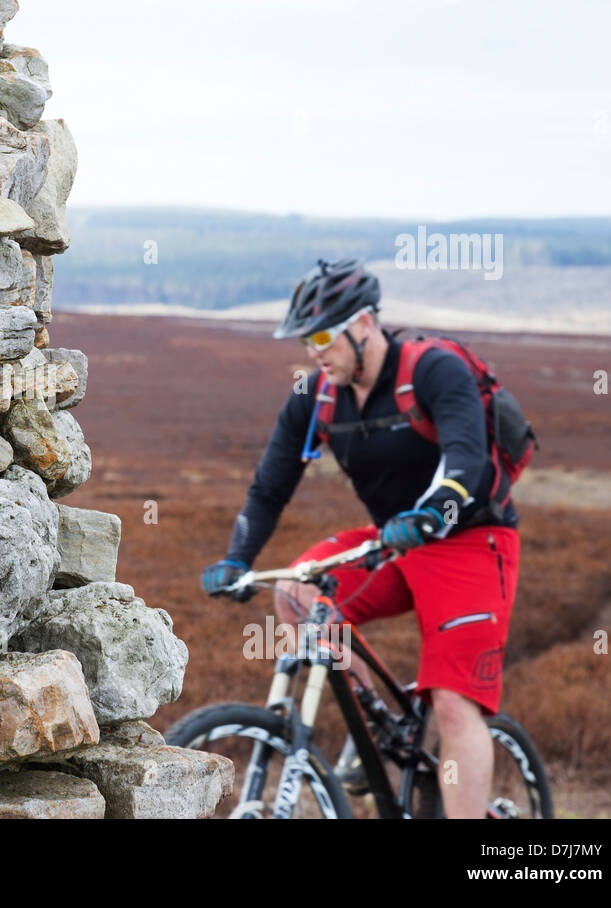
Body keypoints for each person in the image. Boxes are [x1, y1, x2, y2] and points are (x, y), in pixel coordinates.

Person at [202, 259, 520, 819]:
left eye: (323, 335)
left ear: (366, 323)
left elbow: (465, 460)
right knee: (299, 595)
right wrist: (237, 559)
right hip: (394, 540)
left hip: (471, 540)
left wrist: (431, 514)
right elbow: (269, 488)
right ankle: (380, 739)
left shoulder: (433, 370)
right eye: (306, 339)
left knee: (451, 702)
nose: (313, 351)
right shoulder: (316, 396)